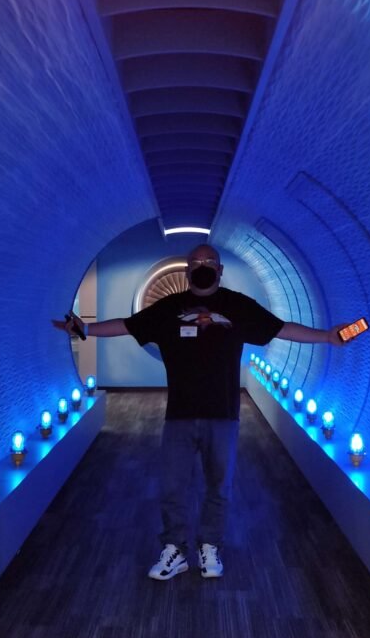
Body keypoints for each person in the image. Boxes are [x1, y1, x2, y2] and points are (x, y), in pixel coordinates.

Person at [53, 243, 347, 581]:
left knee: (218, 486)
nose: (203, 265)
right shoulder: (169, 308)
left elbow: (282, 329)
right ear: (187, 270)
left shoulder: (238, 306)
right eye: (196, 261)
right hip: (179, 413)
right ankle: (175, 549)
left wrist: (327, 336)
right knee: (173, 487)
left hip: (224, 413)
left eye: (210, 261)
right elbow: (128, 325)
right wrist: (85, 329)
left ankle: (210, 546)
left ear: (220, 270)